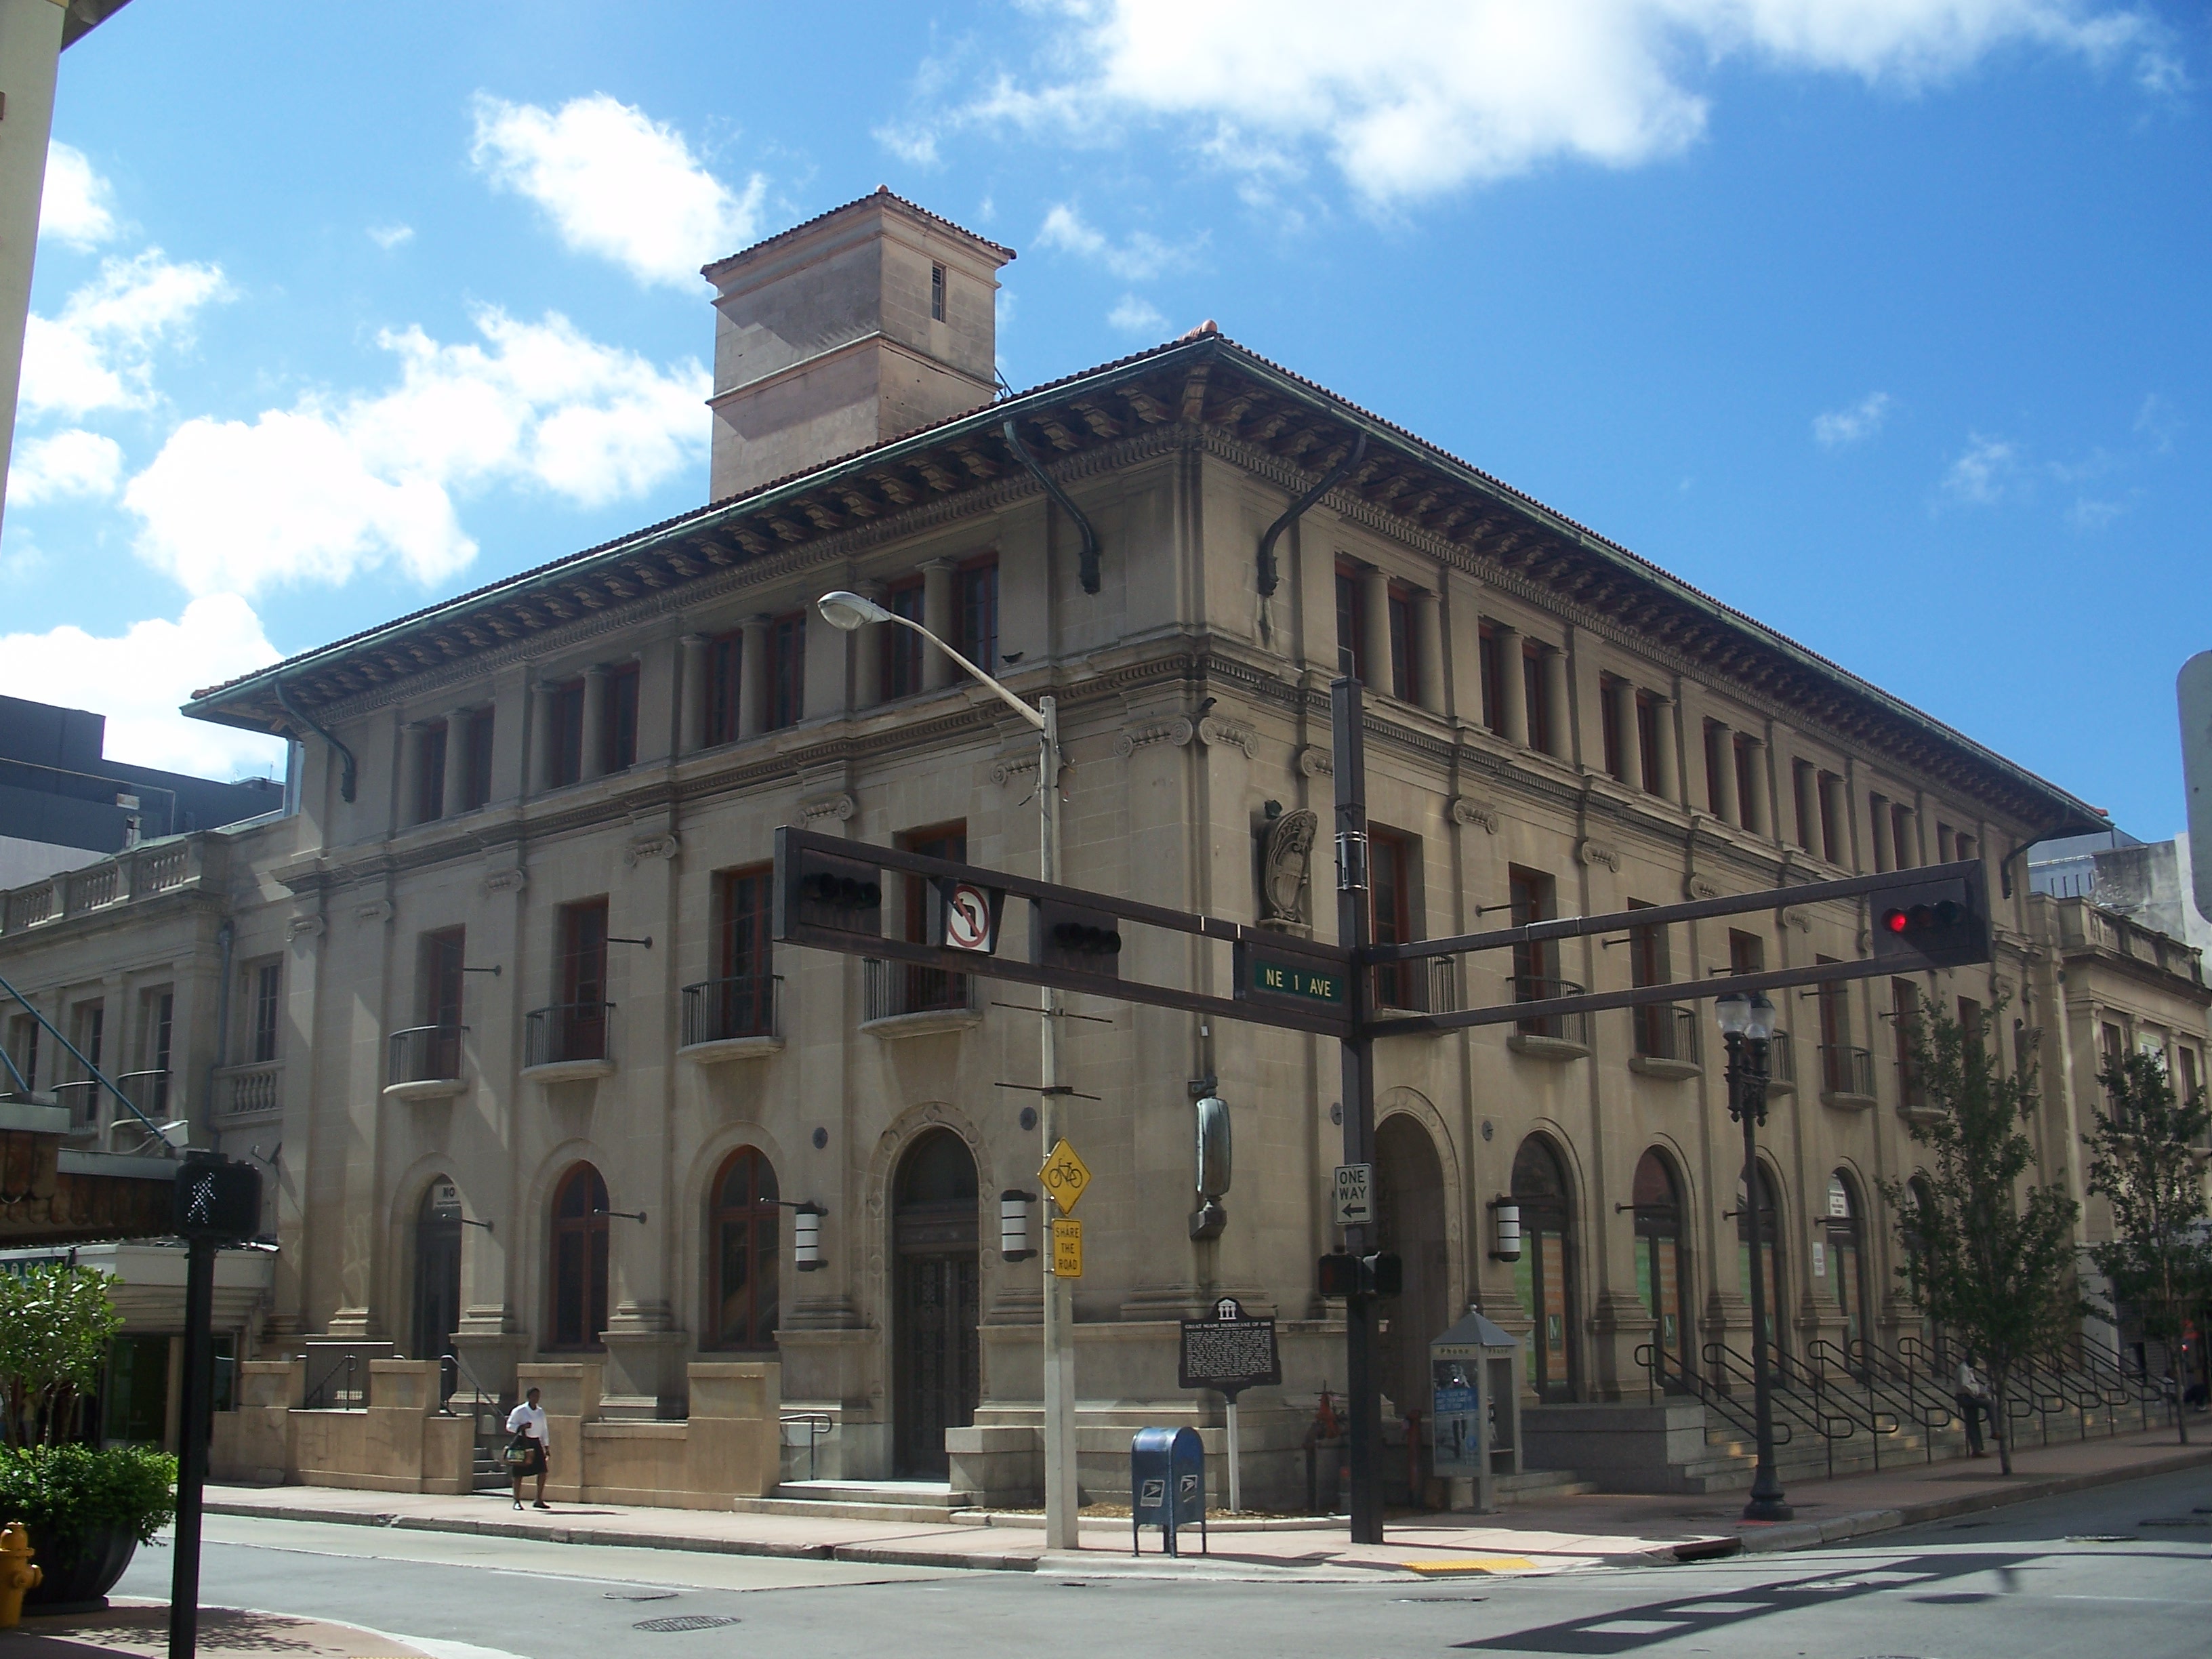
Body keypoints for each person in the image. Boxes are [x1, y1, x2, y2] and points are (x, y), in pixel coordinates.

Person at [506, 1387, 550, 1510]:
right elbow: (509, 1426)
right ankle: (516, 1500)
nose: (536, 1399)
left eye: (538, 1396)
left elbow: (544, 1430)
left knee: (543, 1471)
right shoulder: (520, 1411)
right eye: (534, 1396)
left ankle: (539, 1499)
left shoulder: (540, 1412)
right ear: (529, 1397)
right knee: (518, 1473)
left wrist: (546, 1446)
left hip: (536, 1443)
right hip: (522, 1442)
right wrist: (521, 1427)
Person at [1954, 1353, 1990, 1458]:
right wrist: (1977, 1393)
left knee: (1973, 1422)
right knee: (1989, 1405)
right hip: (1966, 1398)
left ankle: (1977, 1448)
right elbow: (1965, 1385)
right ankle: (1994, 1430)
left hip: (1970, 1397)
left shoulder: (1968, 1369)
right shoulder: (1963, 1369)